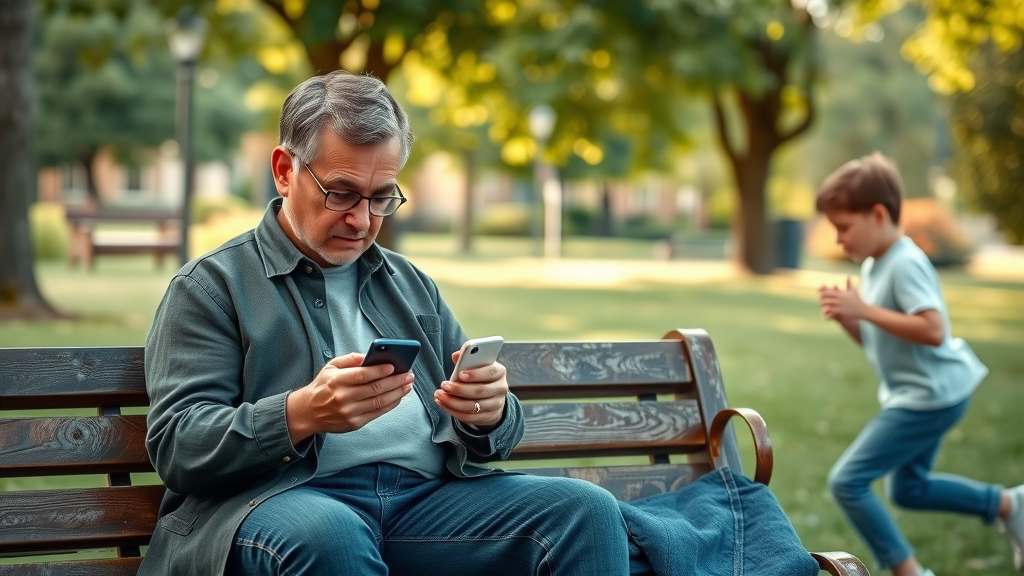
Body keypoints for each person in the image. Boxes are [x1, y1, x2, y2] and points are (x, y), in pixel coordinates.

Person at [141, 70, 819, 576]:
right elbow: (177, 445)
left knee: (582, 513)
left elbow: (495, 439)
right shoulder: (213, 288)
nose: (362, 220)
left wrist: (488, 413)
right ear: (285, 170)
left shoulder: (408, 284)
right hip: (281, 503)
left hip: (421, 502)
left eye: (383, 198)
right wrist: (301, 413)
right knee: (328, 538)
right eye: (341, 192)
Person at [814, 151, 1024, 576]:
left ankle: (908, 571)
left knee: (847, 481)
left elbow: (933, 330)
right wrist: (851, 321)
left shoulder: (905, 262)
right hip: (922, 393)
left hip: (928, 396)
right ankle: (1010, 505)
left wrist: (866, 311)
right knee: (909, 489)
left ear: (877, 214)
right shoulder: (876, 264)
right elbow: (883, 340)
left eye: (843, 228)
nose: (838, 240)